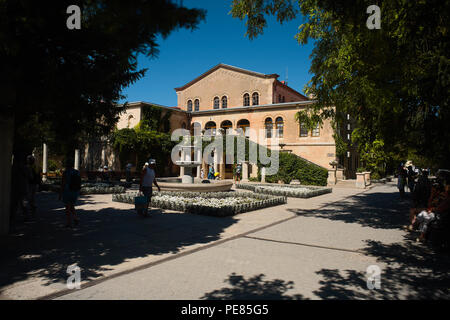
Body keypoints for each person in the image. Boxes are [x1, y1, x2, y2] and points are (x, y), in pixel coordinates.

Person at [59, 158, 81, 228]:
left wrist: (60, 194)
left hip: (68, 191)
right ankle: (75, 218)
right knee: (71, 205)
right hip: (75, 191)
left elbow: (63, 184)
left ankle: (69, 223)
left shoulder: (66, 172)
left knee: (67, 207)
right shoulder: (77, 172)